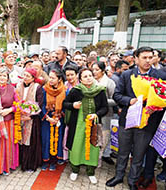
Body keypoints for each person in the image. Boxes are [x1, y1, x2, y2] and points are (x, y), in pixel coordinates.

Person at [106, 47, 166, 190]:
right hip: (127, 120)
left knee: (139, 154)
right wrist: (130, 101)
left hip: (147, 123)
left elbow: (163, 98)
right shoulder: (127, 75)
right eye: (144, 57)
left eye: (150, 57)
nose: (147, 61)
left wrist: (156, 107)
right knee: (123, 152)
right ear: (136, 58)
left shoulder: (160, 75)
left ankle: (132, 180)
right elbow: (117, 95)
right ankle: (119, 176)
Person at [63, 68, 108, 184]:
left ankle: (90, 171)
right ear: (80, 79)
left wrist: (96, 114)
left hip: (93, 125)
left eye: (90, 76)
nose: (88, 78)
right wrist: (73, 105)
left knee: (93, 147)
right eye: (85, 76)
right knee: (76, 146)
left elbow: (105, 108)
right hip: (77, 125)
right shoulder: (75, 91)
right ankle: (75, 170)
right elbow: (65, 104)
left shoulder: (100, 91)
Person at [16, 68, 43, 172]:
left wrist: (31, 115)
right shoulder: (18, 86)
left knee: (30, 141)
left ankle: (30, 164)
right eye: (24, 75)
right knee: (20, 139)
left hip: (32, 119)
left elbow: (39, 103)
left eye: (28, 76)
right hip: (19, 117)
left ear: (33, 78)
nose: (25, 78)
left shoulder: (37, 87)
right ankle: (20, 161)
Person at [41, 69, 66, 171]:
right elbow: (41, 105)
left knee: (57, 140)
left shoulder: (64, 90)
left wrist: (58, 116)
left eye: (53, 78)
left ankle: (53, 162)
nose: (50, 80)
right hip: (47, 120)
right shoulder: (44, 89)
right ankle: (45, 160)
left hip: (59, 119)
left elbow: (65, 106)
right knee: (46, 140)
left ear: (59, 79)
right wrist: (48, 118)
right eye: (49, 77)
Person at [92, 62, 116, 165]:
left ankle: (99, 160)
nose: (94, 72)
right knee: (93, 137)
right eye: (93, 70)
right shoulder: (91, 81)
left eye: (96, 70)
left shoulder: (110, 83)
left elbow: (115, 100)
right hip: (93, 114)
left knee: (103, 138)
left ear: (102, 70)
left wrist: (102, 102)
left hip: (106, 115)